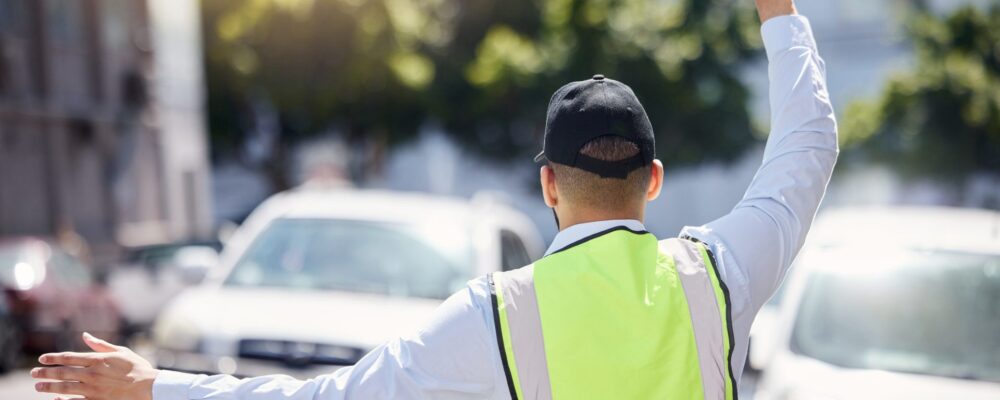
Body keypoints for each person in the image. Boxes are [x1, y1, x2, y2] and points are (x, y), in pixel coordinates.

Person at [30, 0, 837, 398]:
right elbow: (809, 145)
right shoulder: (720, 277)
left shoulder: (495, 314)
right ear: (652, 180)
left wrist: (152, 385)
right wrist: (779, 13)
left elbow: (324, 399)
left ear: (547, 183)